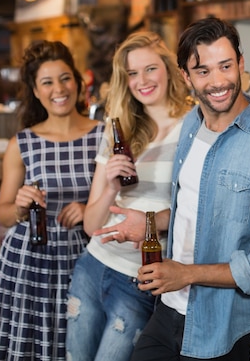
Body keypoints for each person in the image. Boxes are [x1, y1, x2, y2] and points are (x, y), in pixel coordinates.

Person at [127, 17, 250, 361]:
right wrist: (149, 220)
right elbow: (196, 204)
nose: (218, 81)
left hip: (221, 325)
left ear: (240, 63)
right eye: (203, 71)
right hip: (167, 308)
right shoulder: (192, 122)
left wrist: (186, 274)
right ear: (185, 76)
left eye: (225, 66)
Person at [65, 32, 192, 361]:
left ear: (168, 68)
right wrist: (111, 186)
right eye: (132, 74)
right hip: (92, 267)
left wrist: (149, 222)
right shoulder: (119, 129)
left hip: (140, 278)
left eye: (150, 69)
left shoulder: (193, 127)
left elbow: (196, 209)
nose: (142, 81)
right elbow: (92, 225)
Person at [0, 40, 105, 360]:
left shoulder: (104, 135)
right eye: (47, 82)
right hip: (28, 261)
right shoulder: (21, 142)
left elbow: (122, 196)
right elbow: (2, 214)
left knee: (78, 344)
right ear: (36, 91)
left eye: (65, 78)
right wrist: (19, 206)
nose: (58, 89)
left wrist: (89, 208)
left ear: (78, 82)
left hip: (85, 260)